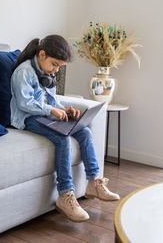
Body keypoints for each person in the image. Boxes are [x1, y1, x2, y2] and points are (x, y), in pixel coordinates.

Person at [10, 34, 120, 223]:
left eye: (59, 67)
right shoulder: (24, 72)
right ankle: (65, 194)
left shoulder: (48, 72)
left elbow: (51, 98)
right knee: (62, 138)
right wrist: (51, 110)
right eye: (55, 64)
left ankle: (94, 182)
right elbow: (24, 103)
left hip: (45, 115)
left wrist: (62, 110)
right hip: (28, 118)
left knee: (84, 131)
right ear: (42, 55)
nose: (56, 70)